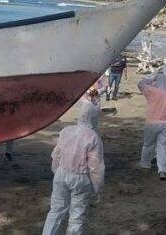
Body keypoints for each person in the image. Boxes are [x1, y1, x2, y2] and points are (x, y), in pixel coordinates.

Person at [42, 99, 105, 235]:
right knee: (77, 215)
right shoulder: (93, 137)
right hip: (81, 177)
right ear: (94, 119)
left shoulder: (66, 131)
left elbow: (56, 155)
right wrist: (97, 187)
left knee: (56, 209)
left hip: (62, 171)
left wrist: (57, 172)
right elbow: (95, 167)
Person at [137, 73, 166, 180]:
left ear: (157, 82)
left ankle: (145, 166)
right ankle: (163, 170)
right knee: (163, 146)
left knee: (148, 145)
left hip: (152, 122)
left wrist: (152, 77)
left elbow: (140, 84)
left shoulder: (151, 91)